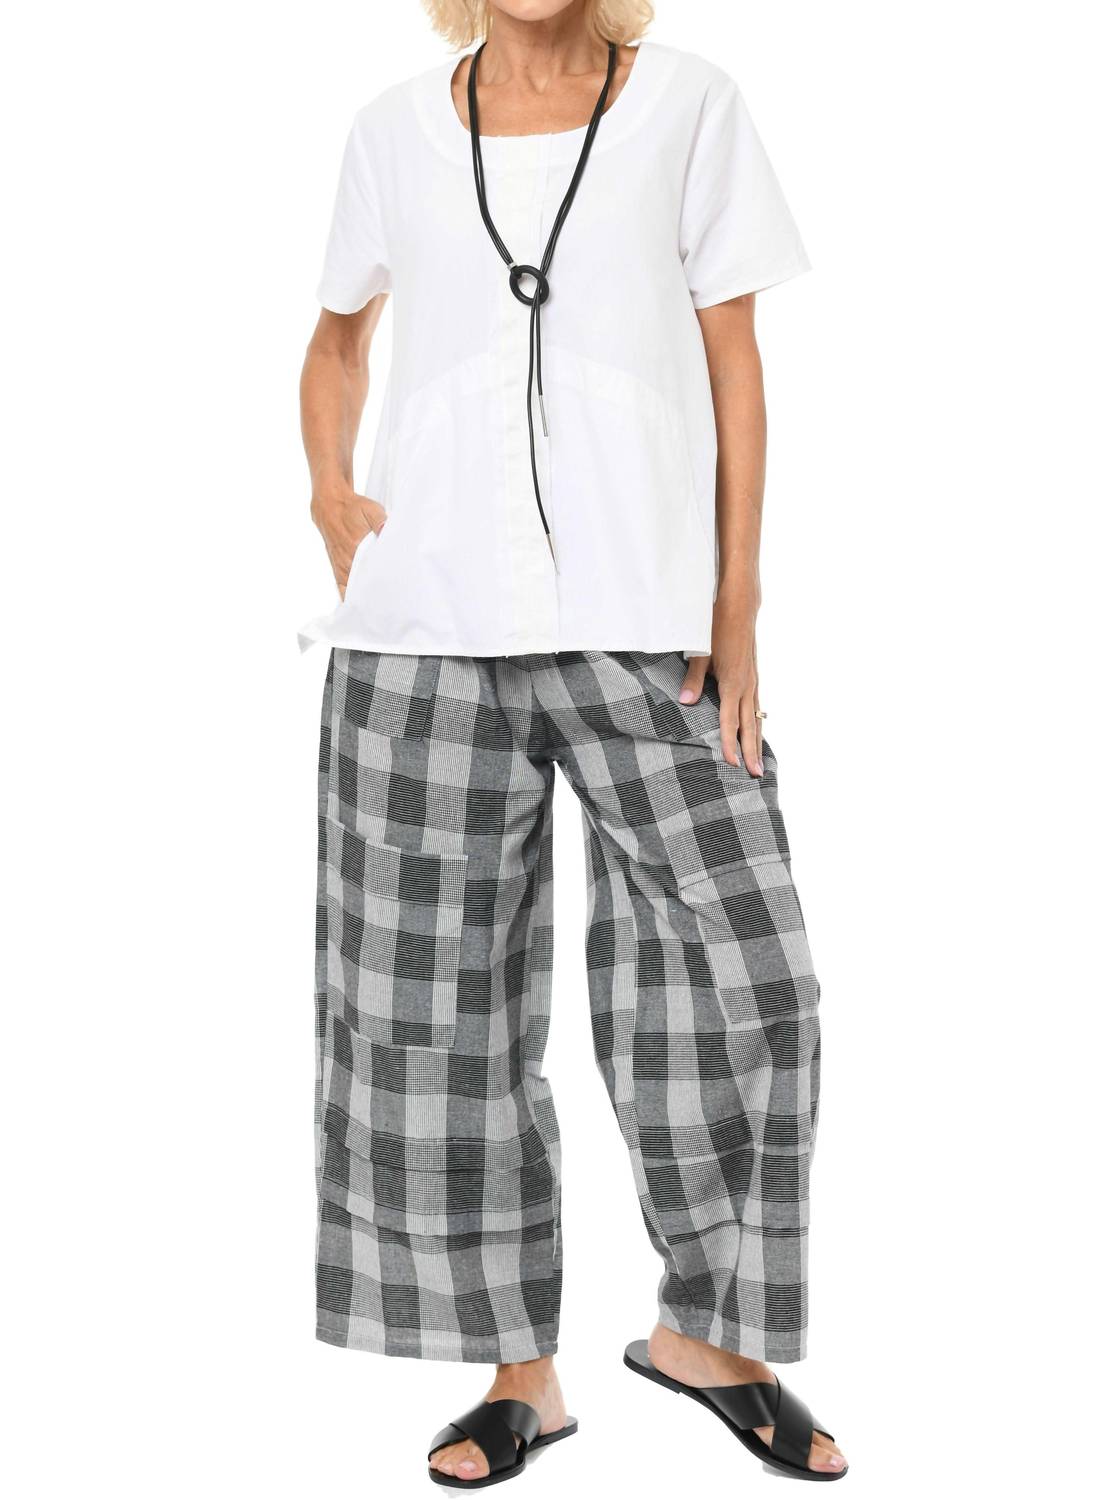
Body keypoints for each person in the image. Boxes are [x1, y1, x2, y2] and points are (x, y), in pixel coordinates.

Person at [299, 0, 847, 1484]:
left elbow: (735, 362)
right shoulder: (390, 132)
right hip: (424, 631)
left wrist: (738, 601)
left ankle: (710, 1336)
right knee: (433, 1013)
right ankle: (517, 1376)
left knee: (754, 972)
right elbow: (336, 338)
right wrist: (328, 488)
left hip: (648, 620)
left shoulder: (689, 104)